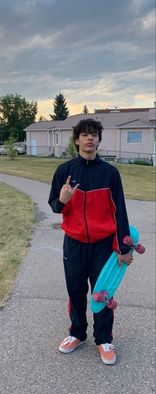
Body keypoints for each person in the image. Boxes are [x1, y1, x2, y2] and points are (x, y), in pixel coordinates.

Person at [48, 118, 133, 365]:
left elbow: (120, 212)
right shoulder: (64, 171)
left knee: (103, 292)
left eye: (94, 135)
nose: (90, 138)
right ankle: (76, 333)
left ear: (98, 140)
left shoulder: (110, 173)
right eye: (85, 134)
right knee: (75, 290)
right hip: (73, 244)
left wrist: (123, 248)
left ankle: (104, 339)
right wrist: (63, 199)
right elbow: (54, 206)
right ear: (77, 140)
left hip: (102, 245)